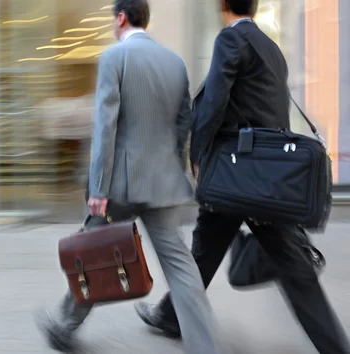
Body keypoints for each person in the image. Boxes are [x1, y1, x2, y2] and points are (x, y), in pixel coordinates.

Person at [135, 1, 350, 353]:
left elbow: (216, 99)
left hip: (238, 174)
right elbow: (273, 112)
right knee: (206, 248)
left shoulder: (231, 40)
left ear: (223, 5)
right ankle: (171, 315)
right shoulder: (271, 48)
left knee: (291, 266)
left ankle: (335, 345)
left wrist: (198, 153)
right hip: (262, 176)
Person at [34, 1, 221, 353]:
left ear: (120, 18)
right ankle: (205, 346)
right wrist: (170, 162)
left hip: (120, 184)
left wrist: (99, 188)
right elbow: (184, 123)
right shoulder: (175, 63)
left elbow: (106, 127)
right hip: (164, 181)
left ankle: (64, 326)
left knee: (90, 253)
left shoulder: (113, 58)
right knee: (181, 268)